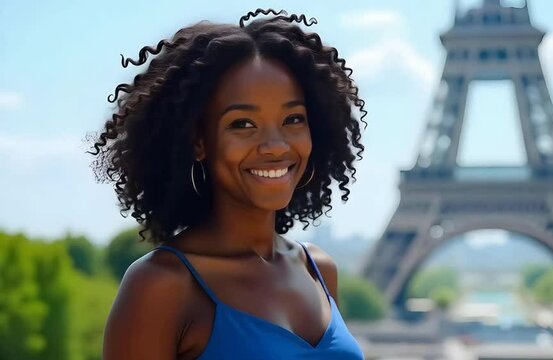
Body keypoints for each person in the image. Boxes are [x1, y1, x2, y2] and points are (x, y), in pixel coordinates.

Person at [89, 8, 367, 359]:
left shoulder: (319, 270)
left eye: (293, 119)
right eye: (243, 124)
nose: (277, 145)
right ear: (199, 141)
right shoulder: (161, 286)